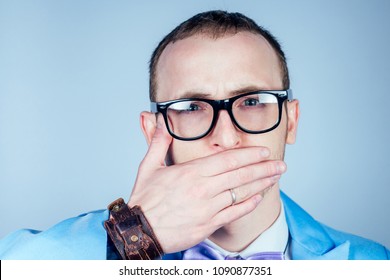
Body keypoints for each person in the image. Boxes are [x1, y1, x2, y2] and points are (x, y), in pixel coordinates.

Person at [0, 10, 388, 260]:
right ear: (154, 131)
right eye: (191, 107)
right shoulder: (100, 251)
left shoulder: (372, 263)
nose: (227, 136)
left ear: (291, 121)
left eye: (252, 101)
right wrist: (132, 237)